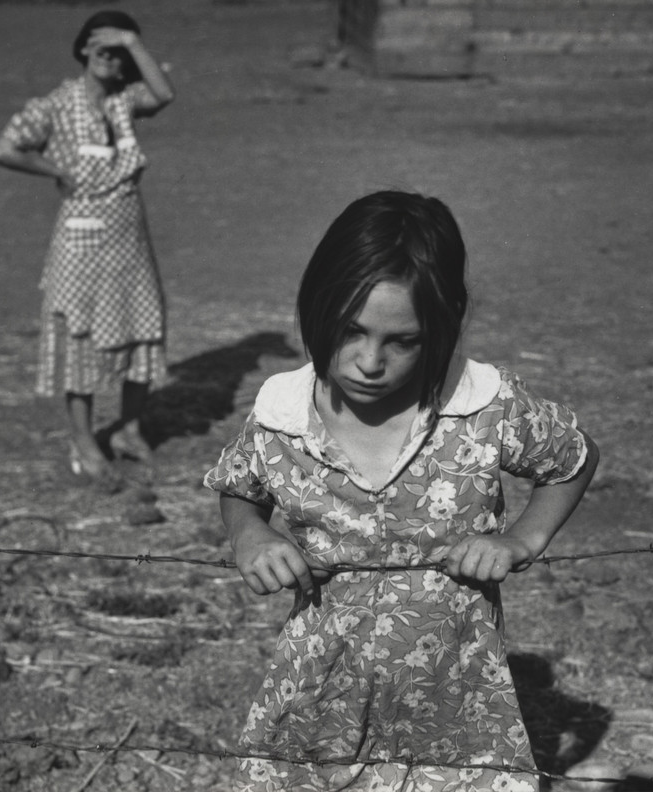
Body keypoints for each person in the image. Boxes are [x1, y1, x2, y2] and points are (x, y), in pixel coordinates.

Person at [204, 190, 600, 791]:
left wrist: (522, 539)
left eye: (402, 341)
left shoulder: (482, 408)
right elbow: (239, 485)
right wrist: (249, 534)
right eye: (350, 331)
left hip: (456, 708)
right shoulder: (282, 416)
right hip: (320, 700)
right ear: (317, 306)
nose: (369, 360)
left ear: (440, 327)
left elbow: (574, 457)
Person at [0, 10, 174, 480]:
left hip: (129, 233)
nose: (112, 60)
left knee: (141, 325)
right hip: (81, 237)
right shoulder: (55, 105)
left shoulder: (124, 101)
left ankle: (129, 430)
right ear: (84, 52)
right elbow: (4, 149)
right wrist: (56, 171)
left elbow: (164, 93)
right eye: (103, 50)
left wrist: (133, 41)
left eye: (119, 53)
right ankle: (83, 439)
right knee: (82, 339)